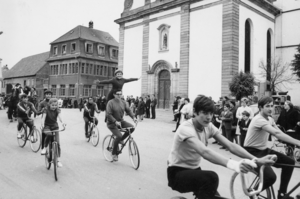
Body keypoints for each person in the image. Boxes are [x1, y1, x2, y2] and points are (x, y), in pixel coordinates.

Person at [167, 95, 276, 199]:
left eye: (211, 113)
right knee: (212, 178)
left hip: (194, 171)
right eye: (204, 113)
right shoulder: (185, 129)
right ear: (195, 112)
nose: (209, 117)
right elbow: (205, 152)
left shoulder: (208, 126)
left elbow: (230, 145)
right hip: (177, 174)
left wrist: (256, 160)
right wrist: (235, 165)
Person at [244, 96, 300, 199]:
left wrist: (294, 142)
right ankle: (254, 194)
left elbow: (280, 133)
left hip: (264, 150)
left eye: (272, 106)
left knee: (290, 163)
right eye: (267, 106)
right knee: (270, 177)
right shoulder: (258, 119)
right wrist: (298, 142)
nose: (270, 108)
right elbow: (276, 133)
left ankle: (282, 194)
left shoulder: (269, 119)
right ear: (260, 108)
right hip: (252, 151)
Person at [106, 89, 137, 161]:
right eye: (117, 94)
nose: (119, 95)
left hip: (121, 122)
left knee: (132, 128)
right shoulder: (110, 103)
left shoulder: (123, 102)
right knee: (119, 135)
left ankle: (120, 140)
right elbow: (108, 114)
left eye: (120, 94)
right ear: (114, 94)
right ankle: (114, 154)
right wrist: (115, 121)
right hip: (112, 123)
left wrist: (134, 117)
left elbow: (129, 111)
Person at [40, 98, 66, 167]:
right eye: (52, 105)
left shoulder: (57, 109)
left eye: (55, 105)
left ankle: (57, 160)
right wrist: (42, 125)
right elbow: (43, 118)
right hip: (47, 126)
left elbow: (60, 117)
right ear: (49, 104)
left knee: (57, 143)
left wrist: (63, 122)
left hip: (55, 126)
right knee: (49, 134)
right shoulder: (46, 109)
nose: (54, 106)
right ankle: (45, 148)